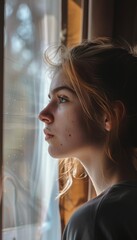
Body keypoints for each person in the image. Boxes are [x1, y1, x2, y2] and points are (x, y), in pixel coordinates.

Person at [38, 38, 137, 240]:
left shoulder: (96, 221)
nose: (43, 114)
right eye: (50, 99)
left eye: (63, 98)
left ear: (107, 116)